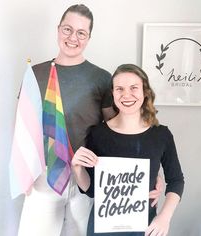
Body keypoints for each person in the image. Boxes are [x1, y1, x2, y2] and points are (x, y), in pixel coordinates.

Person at [17, 5, 163, 236]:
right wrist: (22, 172)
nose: (73, 37)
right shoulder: (36, 74)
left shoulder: (101, 78)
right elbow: (23, 127)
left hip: (86, 176)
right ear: (58, 29)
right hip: (44, 177)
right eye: (67, 29)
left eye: (81, 32)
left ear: (88, 37)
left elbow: (123, 130)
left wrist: (152, 173)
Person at [72, 64, 184, 236]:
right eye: (119, 89)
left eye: (134, 88)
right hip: (102, 229)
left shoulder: (161, 135)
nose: (126, 94)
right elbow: (92, 190)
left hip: (145, 228)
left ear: (145, 92)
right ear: (113, 94)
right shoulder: (97, 133)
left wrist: (164, 217)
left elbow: (176, 180)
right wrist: (77, 169)